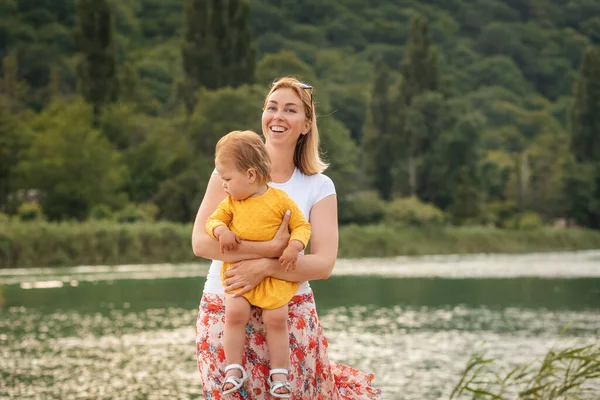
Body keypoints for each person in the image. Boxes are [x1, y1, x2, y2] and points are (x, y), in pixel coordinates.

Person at [192, 76, 381, 399]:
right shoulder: (226, 173)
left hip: (289, 313)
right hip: (224, 308)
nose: (278, 116)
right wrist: (270, 249)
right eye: (272, 107)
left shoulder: (318, 186)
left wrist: (264, 267)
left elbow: (323, 264)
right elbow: (202, 242)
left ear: (306, 124)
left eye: (290, 110)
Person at [205, 129, 312, 397]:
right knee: (234, 314)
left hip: (272, 277)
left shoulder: (279, 200)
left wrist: (294, 247)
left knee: (276, 318)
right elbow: (212, 221)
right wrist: (222, 232)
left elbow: (301, 226)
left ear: (251, 175)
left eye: (227, 178)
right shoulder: (230, 203)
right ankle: (233, 369)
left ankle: (280, 374)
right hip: (239, 274)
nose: (224, 185)